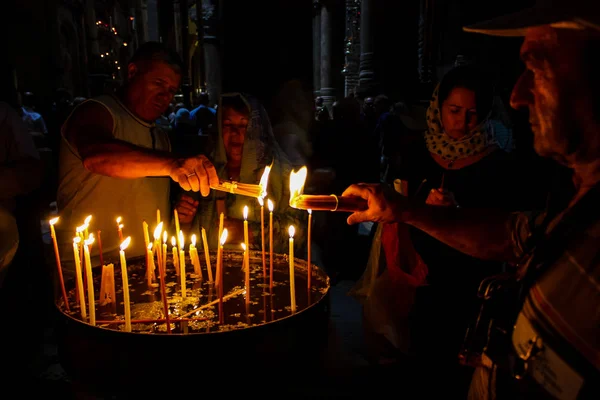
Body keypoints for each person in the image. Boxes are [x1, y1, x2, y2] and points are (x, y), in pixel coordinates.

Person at [342, 3, 600, 399]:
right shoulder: (576, 213)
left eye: (538, 69)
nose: (517, 97)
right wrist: (406, 209)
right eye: (454, 110)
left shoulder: (508, 167)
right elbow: (516, 233)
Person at [57, 41, 218, 269]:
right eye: (158, 83)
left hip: (148, 269)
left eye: (171, 90)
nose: (165, 96)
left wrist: (178, 216)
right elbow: (97, 156)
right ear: (132, 72)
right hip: (90, 270)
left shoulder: (161, 138)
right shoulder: (98, 111)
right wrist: (173, 165)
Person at [176, 92, 306, 254]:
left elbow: (300, 232)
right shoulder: (203, 172)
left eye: (244, 125)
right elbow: (184, 240)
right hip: (209, 273)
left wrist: (250, 232)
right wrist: (184, 221)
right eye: (227, 125)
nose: (235, 133)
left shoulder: (282, 175)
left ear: (256, 130)